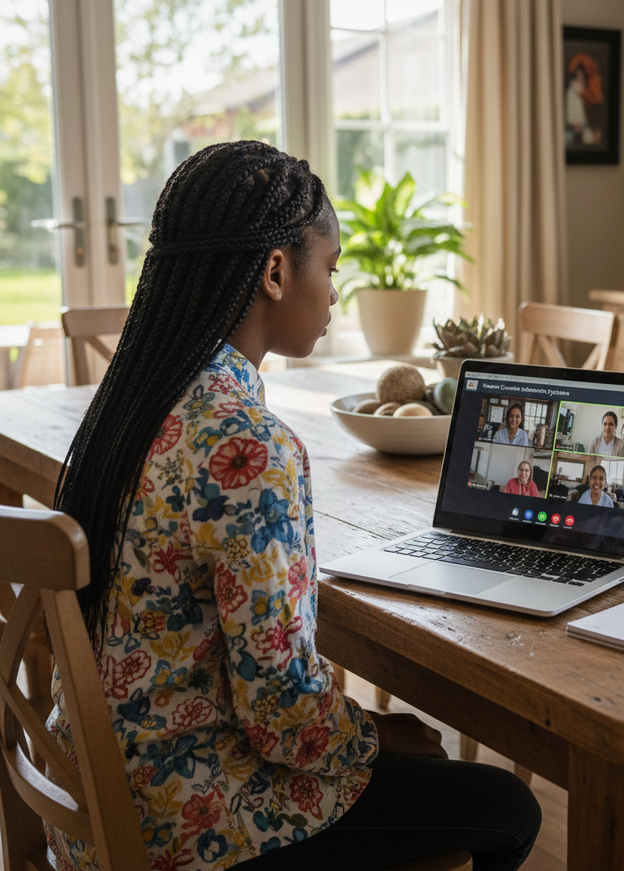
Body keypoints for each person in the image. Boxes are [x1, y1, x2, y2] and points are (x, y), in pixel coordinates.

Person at [48, 142, 540, 871]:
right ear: (277, 271)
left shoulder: (129, 406)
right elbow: (282, 717)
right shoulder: (247, 447)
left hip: (92, 797)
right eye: (332, 267)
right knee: (508, 808)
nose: (336, 292)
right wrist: (375, 735)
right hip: (190, 822)